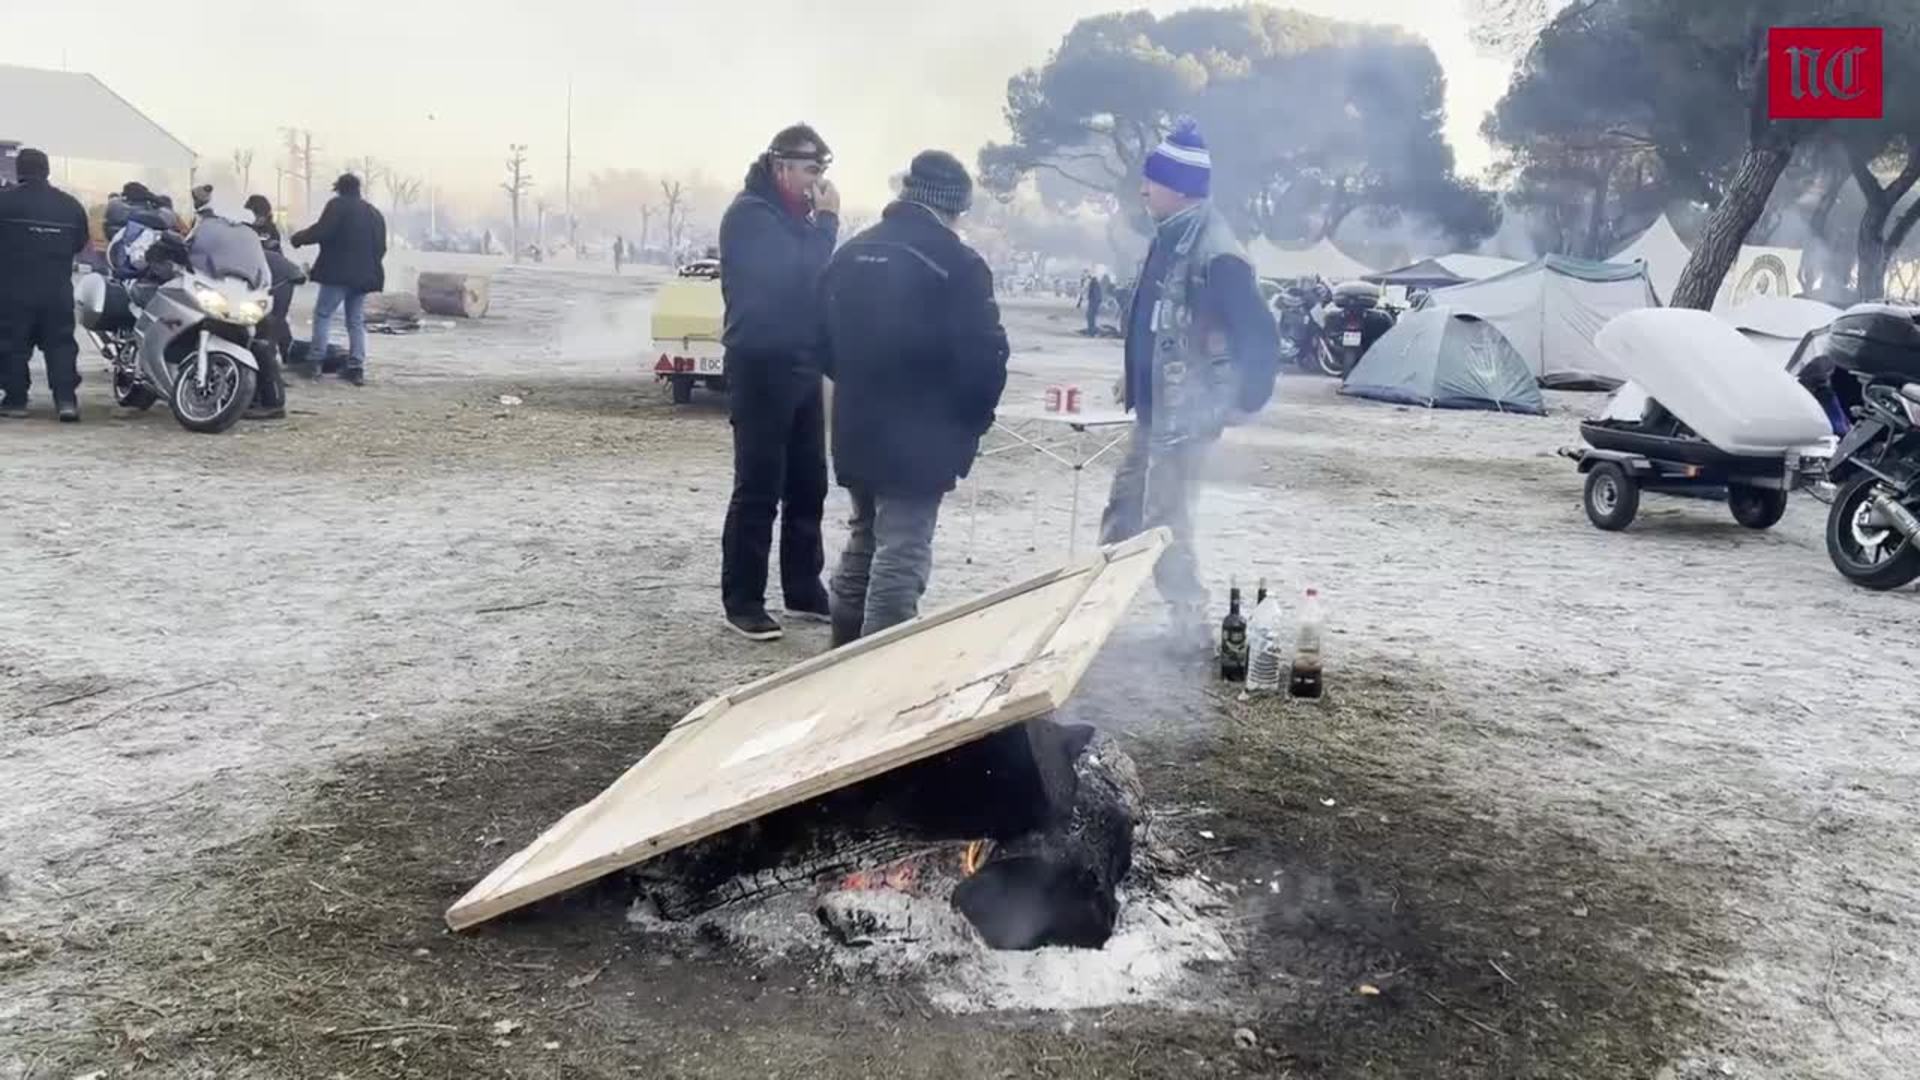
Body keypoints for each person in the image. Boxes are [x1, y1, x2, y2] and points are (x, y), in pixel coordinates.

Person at [819, 151, 1009, 646]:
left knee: (863, 541)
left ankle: (838, 657)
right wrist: (968, 424)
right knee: (901, 555)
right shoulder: (958, 264)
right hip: (921, 436)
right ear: (954, 208)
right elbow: (986, 359)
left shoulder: (851, 253)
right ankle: (876, 683)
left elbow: (820, 343)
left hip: (856, 427)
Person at [1101, 118, 1278, 646]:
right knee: (1124, 509)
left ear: (1178, 188)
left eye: (1150, 181)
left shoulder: (1217, 251)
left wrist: (1244, 401)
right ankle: (1096, 611)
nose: (1142, 189)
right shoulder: (1170, 237)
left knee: (1164, 520)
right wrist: (1132, 376)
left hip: (1187, 413)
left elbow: (1259, 336)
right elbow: (1158, 317)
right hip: (1157, 405)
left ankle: (1190, 625)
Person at [714, 124, 840, 641]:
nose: (817, 182)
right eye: (810, 170)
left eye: (821, 173)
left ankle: (802, 586)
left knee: (809, 482)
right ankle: (742, 599)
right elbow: (800, 273)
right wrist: (829, 221)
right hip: (761, 363)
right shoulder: (750, 216)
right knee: (759, 487)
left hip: (801, 361)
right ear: (780, 166)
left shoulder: (794, 217)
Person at [0, 148, 91, 421]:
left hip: (13, 289)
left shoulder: (4, 203)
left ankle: (16, 401)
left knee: (11, 343)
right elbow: (79, 242)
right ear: (47, 170)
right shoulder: (70, 205)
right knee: (61, 343)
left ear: (19, 171)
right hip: (57, 289)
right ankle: (66, 402)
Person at [290, 172, 387, 386]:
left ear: (339, 189)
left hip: (338, 275)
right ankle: (356, 367)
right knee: (355, 320)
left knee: (323, 314)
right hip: (364, 277)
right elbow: (381, 247)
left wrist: (298, 238)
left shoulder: (337, 205)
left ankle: (315, 362)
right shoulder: (374, 213)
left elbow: (323, 231)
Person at [1082, 270, 1103, 335]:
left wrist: (1094, 305)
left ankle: (1091, 332)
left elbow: (1095, 295)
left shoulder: (1094, 283)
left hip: (1093, 303)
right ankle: (1091, 331)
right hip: (1094, 303)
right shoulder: (1094, 283)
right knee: (1090, 317)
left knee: (1090, 317)